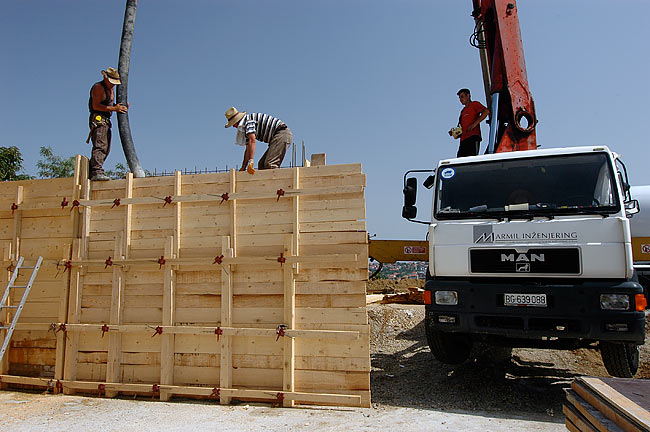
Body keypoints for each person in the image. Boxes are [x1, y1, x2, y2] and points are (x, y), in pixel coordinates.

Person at [87, 67, 129, 181]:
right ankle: (96, 171)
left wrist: (120, 106)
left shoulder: (110, 89)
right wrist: (115, 108)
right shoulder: (98, 88)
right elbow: (96, 106)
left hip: (106, 120)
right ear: (106, 78)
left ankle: (93, 170)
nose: (113, 85)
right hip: (98, 119)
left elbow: (109, 104)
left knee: (106, 147)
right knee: (100, 145)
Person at [224, 107, 292, 174]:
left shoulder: (248, 121)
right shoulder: (246, 128)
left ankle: (278, 184)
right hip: (277, 137)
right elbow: (248, 149)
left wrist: (251, 161)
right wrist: (243, 167)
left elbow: (252, 140)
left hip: (281, 134)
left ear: (236, 121)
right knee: (261, 165)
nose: (233, 126)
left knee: (270, 164)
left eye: (233, 124)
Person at [455, 88, 489, 157]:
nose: (460, 99)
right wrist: (455, 132)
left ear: (468, 95)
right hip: (463, 140)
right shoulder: (462, 111)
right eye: (459, 98)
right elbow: (460, 127)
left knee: (471, 159)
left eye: (462, 97)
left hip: (473, 137)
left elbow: (486, 111)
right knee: (460, 161)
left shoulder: (474, 104)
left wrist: (474, 124)